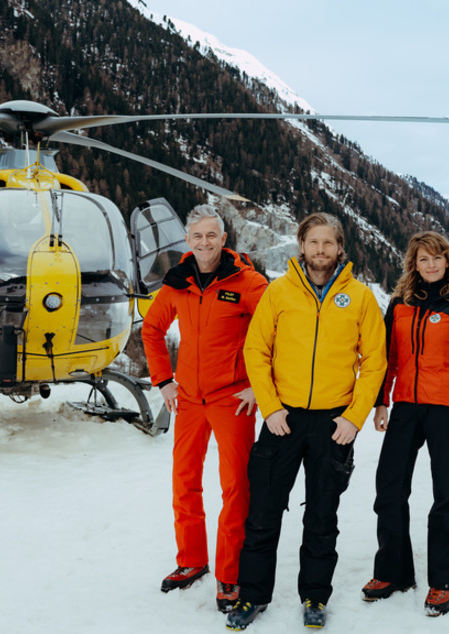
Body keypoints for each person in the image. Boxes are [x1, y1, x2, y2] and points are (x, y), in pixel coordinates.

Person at [225, 212, 387, 631]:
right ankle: (251, 596)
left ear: (339, 247)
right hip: (283, 419)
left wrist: (354, 417)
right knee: (262, 512)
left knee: (321, 516)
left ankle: (315, 595)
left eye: (327, 243)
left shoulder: (361, 297)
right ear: (301, 245)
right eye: (313, 242)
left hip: (334, 423)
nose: (320, 251)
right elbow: (255, 350)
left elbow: (375, 363)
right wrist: (271, 407)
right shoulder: (279, 292)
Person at [142, 205, 268, 612]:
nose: (204, 243)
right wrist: (163, 380)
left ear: (223, 238)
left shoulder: (248, 283)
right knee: (185, 483)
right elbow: (152, 329)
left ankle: (229, 575)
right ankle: (191, 561)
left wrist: (255, 386)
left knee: (236, 489)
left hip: (233, 400)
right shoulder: (178, 284)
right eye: (196, 236)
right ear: (188, 241)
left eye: (211, 235)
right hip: (190, 401)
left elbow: (275, 332)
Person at [361, 232, 449, 617]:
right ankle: (393, 572)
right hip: (406, 407)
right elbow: (387, 357)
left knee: (445, 494)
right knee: (389, 488)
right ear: (412, 265)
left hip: (446, 408)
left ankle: (443, 581)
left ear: (448, 261)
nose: (430, 265)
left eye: (436, 258)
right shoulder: (400, 304)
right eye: (422, 260)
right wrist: (381, 400)